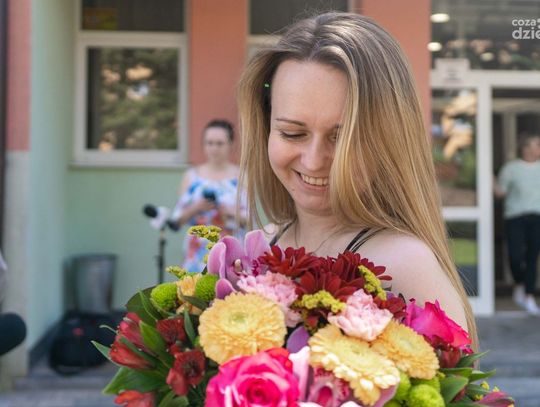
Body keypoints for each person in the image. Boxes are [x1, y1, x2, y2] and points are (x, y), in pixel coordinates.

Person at [237, 12, 478, 345]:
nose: (313, 160)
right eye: (292, 133)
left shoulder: (406, 263)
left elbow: (457, 375)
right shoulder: (255, 249)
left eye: (342, 138)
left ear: (390, 139)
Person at [172, 119, 247, 273]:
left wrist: (229, 212)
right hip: (196, 254)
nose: (214, 148)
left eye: (220, 143)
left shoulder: (242, 176)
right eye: (209, 143)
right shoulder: (191, 176)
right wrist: (196, 208)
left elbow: (251, 220)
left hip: (230, 254)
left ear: (231, 145)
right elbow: (176, 221)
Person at [494, 134, 540, 315]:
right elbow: (500, 192)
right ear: (525, 148)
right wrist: (487, 177)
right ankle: (520, 284)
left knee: (532, 258)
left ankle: (528, 295)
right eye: (537, 144)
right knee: (514, 256)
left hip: (537, 218)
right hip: (515, 218)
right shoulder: (511, 168)